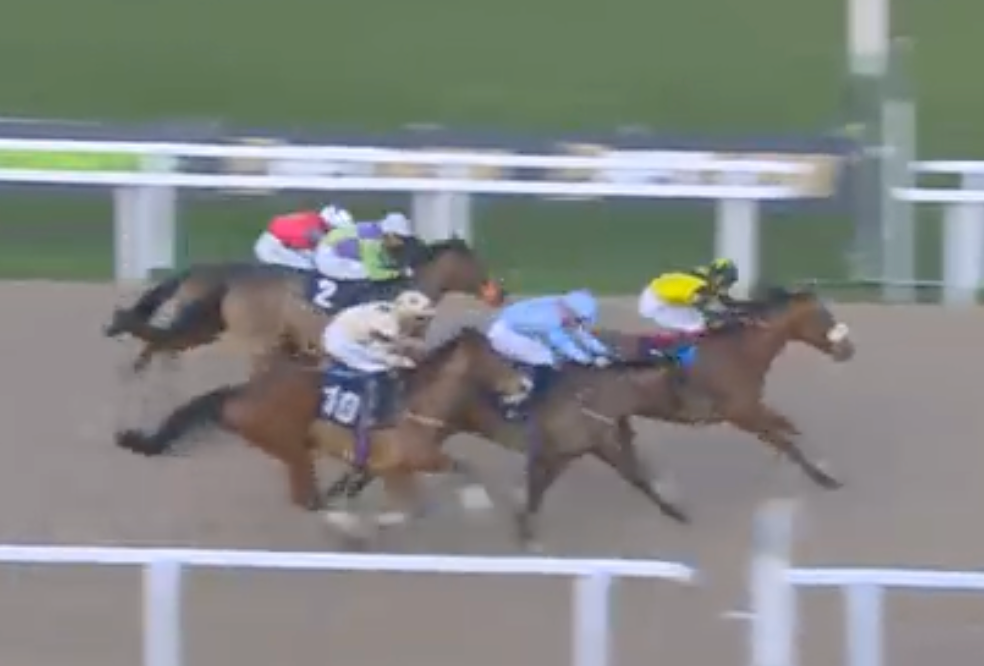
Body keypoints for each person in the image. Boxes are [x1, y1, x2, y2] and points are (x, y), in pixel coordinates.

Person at [320, 291, 437, 460]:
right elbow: (386, 353)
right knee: (377, 371)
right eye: (420, 319)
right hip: (341, 341)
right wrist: (401, 360)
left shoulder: (397, 315)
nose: (425, 322)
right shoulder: (387, 325)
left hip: (357, 333)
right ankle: (364, 436)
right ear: (407, 315)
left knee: (400, 363)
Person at [487, 289, 612, 373]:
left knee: (555, 350)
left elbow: (579, 333)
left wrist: (606, 351)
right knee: (548, 360)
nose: (579, 323)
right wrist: (590, 362)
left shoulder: (562, 305)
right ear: (574, 312)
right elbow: (566, 345)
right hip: (505, 335)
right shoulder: (551, 320)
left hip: (513, 324)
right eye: (579, 320)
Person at [637, 258, 739, 339]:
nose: (728, 285)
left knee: (702, 321)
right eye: (727, 280)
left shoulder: (706, 279)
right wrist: (725, 317)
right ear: (718, 276)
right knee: (697, 326)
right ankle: (661, 347)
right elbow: (703, 307)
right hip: (656, 303)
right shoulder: (702, 285)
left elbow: (723, 301)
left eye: (730, 282)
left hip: (659, 298)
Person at [313, 212, 414, 282]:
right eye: (401, 238)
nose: (402, 243)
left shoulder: (376, 229)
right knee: (365, 272)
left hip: (330, 245)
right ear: (391, 234)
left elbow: (382, 256)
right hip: (328, 258)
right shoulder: (372, 242)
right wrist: (399, 273)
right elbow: (375, 274)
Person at [254, 205, 355, 270]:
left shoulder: (315, 220)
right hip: (272, 248)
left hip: (277, 244)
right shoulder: (313, 227)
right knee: (308, 268)